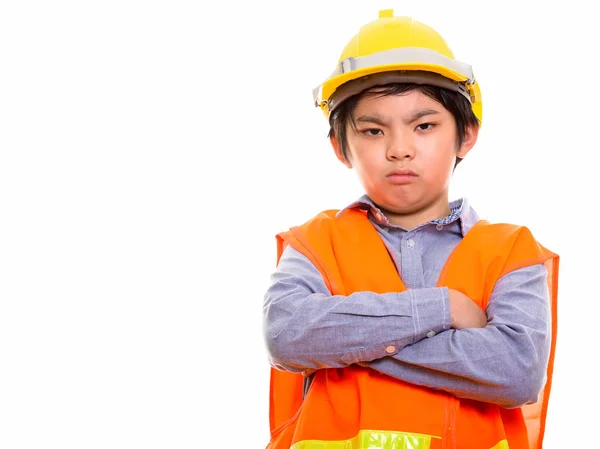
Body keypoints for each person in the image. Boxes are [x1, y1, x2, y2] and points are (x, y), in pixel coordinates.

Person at [262, 9, 559, 449]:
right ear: (340, 147)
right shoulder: (315, 243)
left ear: (467, 134)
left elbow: (516, 371)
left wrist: (347, 347)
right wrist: (442, 309)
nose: (399, 149)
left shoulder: (512, 251)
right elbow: (286, 335)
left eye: (424, 126)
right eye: (373, 130)